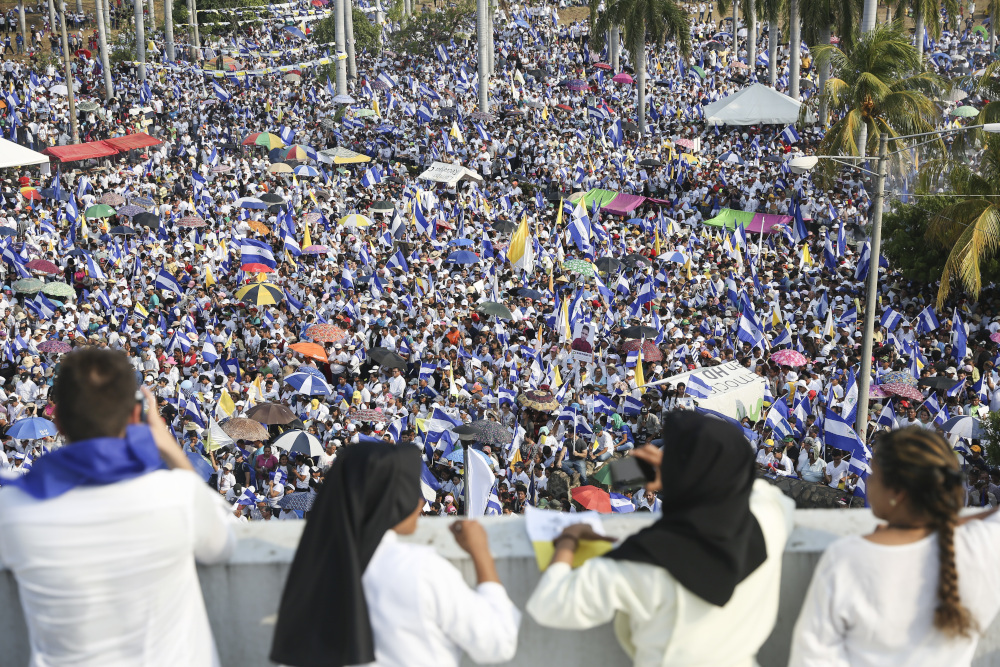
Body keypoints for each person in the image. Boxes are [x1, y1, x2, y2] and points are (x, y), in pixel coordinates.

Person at [0, 348, 235, 666]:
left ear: (57, 420)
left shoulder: (13, 509)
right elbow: (221, 546)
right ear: (136, 415)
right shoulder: (177, 494)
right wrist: (167, 444)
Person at [526, 412, 794, 667]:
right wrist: (676, 473)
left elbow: (551, 604)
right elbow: (760, 491)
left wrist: (568, 542)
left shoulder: (644, 562)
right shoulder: (768, 521)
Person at [270, 442, 520, 667]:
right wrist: (481, 553)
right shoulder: (421, 569)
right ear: (393, 500)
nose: (421, 502)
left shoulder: (311, 570)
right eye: (413, 490)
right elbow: (497, 643)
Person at [790, 427, 1000, 665]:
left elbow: (810, 658)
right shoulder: (980, 546)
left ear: (897, 492)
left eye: (874, 473)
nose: (868, 479)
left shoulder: (847, 559)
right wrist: (942, 518)